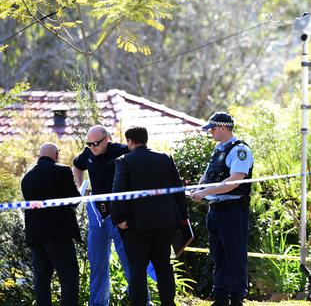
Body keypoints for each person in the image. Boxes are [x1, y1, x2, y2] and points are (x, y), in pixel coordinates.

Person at [111, 126, 189, 306]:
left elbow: (118, 191)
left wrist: (118, 219)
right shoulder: (164, 158)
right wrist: (182, 217)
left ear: (129, 142)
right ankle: (168, 303)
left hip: (137, 225)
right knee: (163, 265)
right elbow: (178, 189)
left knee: (137, 269)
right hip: (165, 222)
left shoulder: (124, 161)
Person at [189, 112, 254, 306]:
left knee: (234, 255)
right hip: (215, 208)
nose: (211, 133)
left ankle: (236, 298)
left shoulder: (240, 150)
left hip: (233, 210)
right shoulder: (219, 149)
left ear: (223, 127)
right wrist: (198, 189)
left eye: (213, 129)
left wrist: (206, 191)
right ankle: (220, 298)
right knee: (218, 255)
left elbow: (234, 181)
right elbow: (209, 175)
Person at [72, 125, 134, 306]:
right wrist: (80, 187)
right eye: (89, 144)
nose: (92, 147)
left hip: (119, 212)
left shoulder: (122, 151)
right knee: (97, 263)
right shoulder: (87, 154)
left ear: (107, 138)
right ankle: (98, 303)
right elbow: (76, 165)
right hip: (97, 213)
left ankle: (141, 300)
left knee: (129, 260)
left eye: (96, 143)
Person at [21, 143, 81, 305]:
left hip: (35, 235)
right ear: (57, 154)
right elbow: (74, 200)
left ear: (39, 156)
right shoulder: (62, 170)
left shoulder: (27, 176)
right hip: (58, 233)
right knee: (69, 276)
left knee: (42, 279)